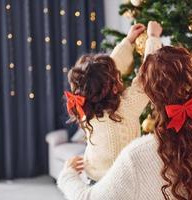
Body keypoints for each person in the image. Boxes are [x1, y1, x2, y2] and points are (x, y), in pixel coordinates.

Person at [58, 30, 192, 200]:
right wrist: (151, 37)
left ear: (152, 96)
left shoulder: (138, 155)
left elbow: (87, 198)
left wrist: (67, 175)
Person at [64, 22, 162, 183]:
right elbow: (147, 77)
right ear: (113, 87)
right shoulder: (126, 108)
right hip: (121, 184)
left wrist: (128, 41)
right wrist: (153, 38)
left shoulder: (85, 107)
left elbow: (104, 71)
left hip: (93, 178)